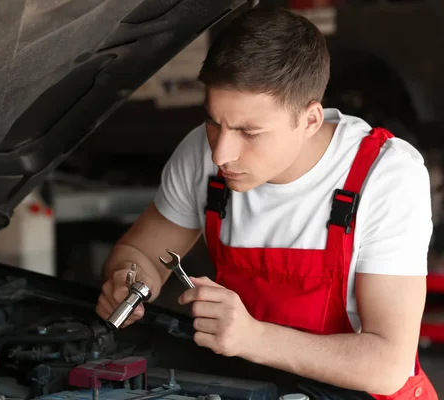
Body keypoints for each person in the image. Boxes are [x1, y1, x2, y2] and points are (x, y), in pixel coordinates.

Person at [95, 7, 437, 400]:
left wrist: (253, 337)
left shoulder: (386, 176)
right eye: (213, 122)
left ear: (309, 120)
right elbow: (140, 251)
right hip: (254, 386)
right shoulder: (200, 152)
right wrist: (128, 277)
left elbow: (387, 365)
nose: (222, 153)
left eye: (249, 131)